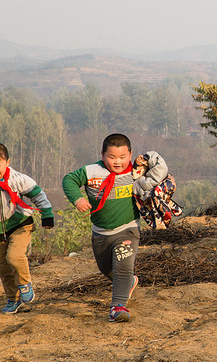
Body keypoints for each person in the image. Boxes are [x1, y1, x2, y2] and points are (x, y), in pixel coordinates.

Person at [62, 133, 141, 322]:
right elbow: (68, 180)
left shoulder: (137, 171)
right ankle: (128, 282)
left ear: (130, 155)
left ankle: (118, 307)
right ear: (103, 155)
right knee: (106, 268)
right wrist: (78, 199)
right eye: (112, 157)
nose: (117, 162)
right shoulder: (91, 171)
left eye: (123, 157)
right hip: (100, 233)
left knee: (123, 265)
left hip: (128, 228)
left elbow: (159, 173)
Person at [0, 143, 53, 315]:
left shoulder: (17, 179)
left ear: (7, 162)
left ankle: (24, 283)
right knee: (3, 267)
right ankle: (12, 299)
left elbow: (37, 194)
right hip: (0, 231)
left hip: (20, 224)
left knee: (14, 257)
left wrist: (47, 213)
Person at [131, 151, 182, 229]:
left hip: (158, 188)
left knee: (155, 197)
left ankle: (163, 225)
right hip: (162, 186)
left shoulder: (135, 181)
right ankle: (163, 225)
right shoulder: (136, 182)